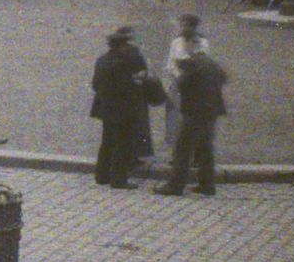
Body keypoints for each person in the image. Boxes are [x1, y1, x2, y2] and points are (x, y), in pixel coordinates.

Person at [90, 26, 159, 189]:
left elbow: (95, 84)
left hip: (106, 109)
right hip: (124, 109)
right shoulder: (123, 62)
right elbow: (127, 86)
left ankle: (101, 175)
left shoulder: (102, 60)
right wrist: (136, 81)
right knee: (123, 143)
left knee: (107, 141)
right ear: (122, 45)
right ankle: (118, 179)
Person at [161, 50, 229, 196]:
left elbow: (181, 84)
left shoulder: (191, 67)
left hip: (195, 113)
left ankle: (175, 185)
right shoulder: (210, 63)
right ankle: (208, 185)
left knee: (182, 148)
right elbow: (223, 78)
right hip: (211, 111)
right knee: (205, 149)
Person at [161, 14, 208, 150]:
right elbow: (170, 64)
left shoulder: (202, 42)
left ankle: (192, 151)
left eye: (184, 25)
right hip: (178, 83)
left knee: (191, 118)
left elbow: (201, 63)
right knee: (174, 118)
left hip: (193, 85)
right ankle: (177, 150)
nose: (181, 28)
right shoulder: (176, 42)